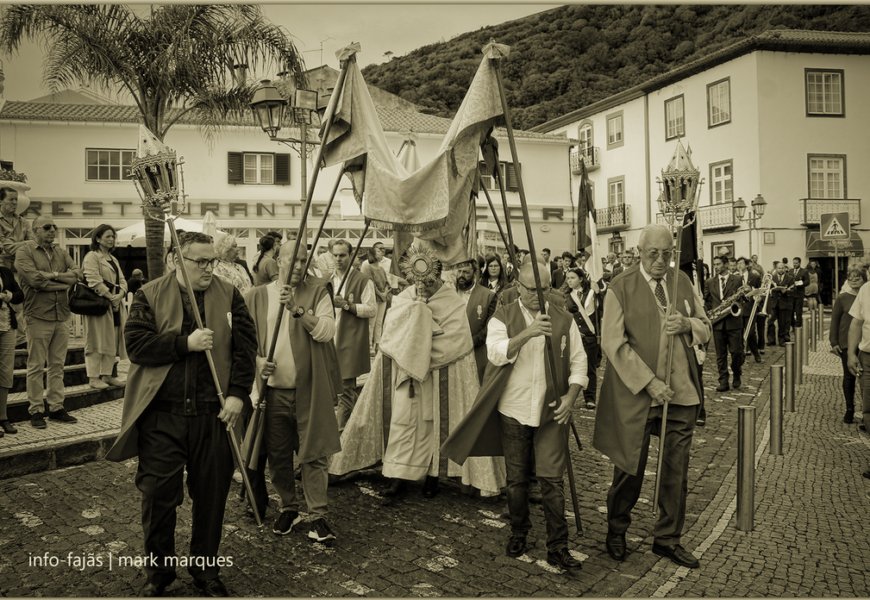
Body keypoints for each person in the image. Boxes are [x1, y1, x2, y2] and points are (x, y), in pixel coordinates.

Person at [106, 231, 257, 597]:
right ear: (176, 260)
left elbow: (246, 346)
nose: (209, 269)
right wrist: (183, 344)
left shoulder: (229, 293)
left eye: (212, 262)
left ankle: (205, 572)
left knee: (211, 498)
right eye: (200, 262)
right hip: (163, 416)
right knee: (158, 499)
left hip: (213, 416)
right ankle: (159, 574)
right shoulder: (149, 294)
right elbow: (136, 345)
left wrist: (238, 394)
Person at [441, 260, 587, 573]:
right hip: (514, 411)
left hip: (551, 413)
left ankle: (558, 546)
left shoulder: (563, 318)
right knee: (517, 480)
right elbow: (496, 352)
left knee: (552, 481)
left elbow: (579, 362)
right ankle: (519, 530)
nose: (538, 295)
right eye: (531, 289)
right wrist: (528, 333)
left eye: (544, 288)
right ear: (518, 287)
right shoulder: (503, 315)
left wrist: (571, 397)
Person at [330, 248, 505, 504]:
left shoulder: (452, 302)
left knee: (432, 426)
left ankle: (433, 475)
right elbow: (392, 335)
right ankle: (397, 475)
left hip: (438, 377)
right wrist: (416, 318)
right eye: (418, 280)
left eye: (429, 279)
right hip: (406, 376)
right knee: (401, 424)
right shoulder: (403, 299)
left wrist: (424, 331)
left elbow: (458, 340)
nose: (423, 285)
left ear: (437, 274)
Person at [594, 224, 711, 569]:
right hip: (639, 394)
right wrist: (649, 383)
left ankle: (667, 539)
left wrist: (689, 326)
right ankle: (617, 529)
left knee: (676, 471)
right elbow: (613, 344)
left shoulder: (683, 282)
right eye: (653, 254)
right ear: (639, 252)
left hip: (682, 394)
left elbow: (706, 325)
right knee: (630, 466)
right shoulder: (620, 287)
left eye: (667, 254)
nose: (660, 261)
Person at [246, 242, 342, 542]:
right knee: (278, 456)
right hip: (273, 393)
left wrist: (297, 310)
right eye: (294, 260)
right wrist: (259, 362)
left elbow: (326, 331)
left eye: (305, 260)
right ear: (278, 261)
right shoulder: (258, 295)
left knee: (314, 454)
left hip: (310, 390)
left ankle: (319, 515)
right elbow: (245, 341)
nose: (300, 266)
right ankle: (289, 507)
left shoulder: (318, 292)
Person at [15, 216, 84, 428]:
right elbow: (35, 280)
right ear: (35, 231)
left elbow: (77, 275)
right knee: (36, 366)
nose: (52, 230)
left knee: (57, 366)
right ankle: (36, 410)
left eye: (54, 227)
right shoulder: (24, 252)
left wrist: (52, 276)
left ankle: (56, 407)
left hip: (61, 315)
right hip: (37, 315)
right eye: (47, 227)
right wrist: (62, 283)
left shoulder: (61, 252)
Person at [331, 239, 376, 428]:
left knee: (346, 390)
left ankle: (341, 432)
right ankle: (354, 424)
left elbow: (372, 309)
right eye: (335, 255)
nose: (338, 259)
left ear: (351, 256)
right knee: (331, 389)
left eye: (342, 255)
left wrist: (348, 306)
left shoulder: (362, 280)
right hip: (327, 340)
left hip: (349, 340)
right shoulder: (327, 280)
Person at [82, 224, 127, 389]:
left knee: (111, 341)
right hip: (99, 306)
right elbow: (93, 280)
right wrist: (110, 297)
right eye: (107, 236)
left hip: (114, 306)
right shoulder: (92, 257)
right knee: (95, 341)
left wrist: (120, 295)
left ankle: (107, 375)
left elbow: (122, 281)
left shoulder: (113, 259)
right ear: (98, 238)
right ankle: (93, 377)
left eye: (113, 236)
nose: (111, 239)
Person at [563, 267, 603, 409]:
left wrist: (598, 291)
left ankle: (590, 398)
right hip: (572, 336)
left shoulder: (591, 293)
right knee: (568, 366)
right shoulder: (565, 295)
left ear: (581, 279)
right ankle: (567, 396)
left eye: (572, 278)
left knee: (590, 368)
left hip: (589, 335)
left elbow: (601, 308)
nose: (569, 281)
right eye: (567, 278)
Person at [705, 255, 745, 391]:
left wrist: (749, 294)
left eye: (718, 264)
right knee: (720, 355)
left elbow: (742, 299)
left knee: (736, 353)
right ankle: (723, 381)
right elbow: (706, 300)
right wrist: (710, 312)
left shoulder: (738, 279)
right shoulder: (710, 282)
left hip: (734, 322)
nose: (715, 267)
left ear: (726, 265)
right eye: (714, 264)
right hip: (718, 323)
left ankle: (737, 374)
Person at [453, 259, 497, 383]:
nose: (461, 275)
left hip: (476, 352)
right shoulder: (448, 292)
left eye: (466, 272)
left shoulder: (488, 296)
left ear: (475, 274)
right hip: (450, 351)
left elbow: (490, 326)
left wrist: (471, 342)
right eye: (459, 271)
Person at [832, 265, 866, 424]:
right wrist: (834, 342)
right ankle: (849, 408)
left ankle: (866, 412)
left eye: (857, 278)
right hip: (846, 343)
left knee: (866, 379)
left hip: (865, 342)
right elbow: (835, 320)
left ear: (864, 279)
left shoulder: (866, 295)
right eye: (850, 278)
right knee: (849, 376)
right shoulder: (842, 298)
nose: (853, 280)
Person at [0, 264, 23, 437]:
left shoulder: (5, 271)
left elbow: (19, 295)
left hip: (7, 325)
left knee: (6, 373)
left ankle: (3, 417)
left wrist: (8, 296)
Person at [360, 247, 389, 355]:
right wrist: (380, 294)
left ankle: (378, 344)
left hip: (383, 297)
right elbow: (370, 283)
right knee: (371, 322)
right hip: (374, 297)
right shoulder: (368, 267)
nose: (381, 252)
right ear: (372, 254)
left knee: (379, 322)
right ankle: (369, 346)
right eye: (378, 251)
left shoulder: (381, 269)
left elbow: (386, 282)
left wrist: (385, 292)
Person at [736, 257, 762, 364]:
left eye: (741, 263)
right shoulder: (735, 277)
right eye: (738, 263)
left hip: (750, 307)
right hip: (738, 308)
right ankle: (741, 354)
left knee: (750, 333)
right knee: (739, 333)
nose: (739, 265)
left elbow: (761, 290)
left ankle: (756, 353)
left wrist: (759, 296)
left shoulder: (754, 276)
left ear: (746, 265)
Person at [766, 262, 794, 347]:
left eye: (782, 268)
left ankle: (782, 340)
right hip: (774, 303)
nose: (780, 270)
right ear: (776, 269)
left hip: (784, 303)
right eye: (779, 268)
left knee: (782, 323)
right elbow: (768, 289)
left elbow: (793, 290)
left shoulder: (790, 278)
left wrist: (787, 291)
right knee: (770, 322)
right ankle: (771, 339)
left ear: (785, 268)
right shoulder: (772, 278)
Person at [791, 257, 809, 330]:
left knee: (798, 311)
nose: (795, 264)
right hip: (791, 294)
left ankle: (798, 325)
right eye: (794, 263)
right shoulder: (790, 271)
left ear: (799, 263)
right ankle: (792, 324)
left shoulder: (804, 271)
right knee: (791, 311)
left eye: (796, 263)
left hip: (799, 293)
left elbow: (807, 282)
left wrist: (800, 284)